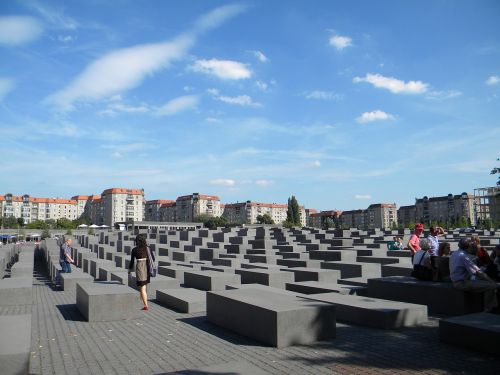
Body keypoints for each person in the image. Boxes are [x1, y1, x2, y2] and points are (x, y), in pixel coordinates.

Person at [449, 238, 498, 313]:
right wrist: (492, 282)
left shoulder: (454, 253)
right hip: (462, 283)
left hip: (457, 281)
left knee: (486, 283)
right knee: (491, 286)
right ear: (468, 247)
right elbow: (478, 272)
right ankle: (488, 310)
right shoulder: (464, 257)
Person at [128, 234, 155, 311]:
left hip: (140, 267)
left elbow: (132, 261)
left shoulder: (134, 250)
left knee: (142, 287)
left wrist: (129, 270)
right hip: (147, 267)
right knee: (144, 286)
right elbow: (153, 258)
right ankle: (142, 299)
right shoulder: (148, 248)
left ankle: (146, 305)